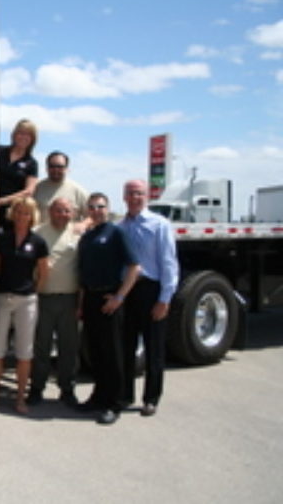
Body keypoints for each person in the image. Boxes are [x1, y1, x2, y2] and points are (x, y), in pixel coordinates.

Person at [77, 193, 140, 425]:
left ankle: (115, 403)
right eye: (92, 207)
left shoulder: (116, 233)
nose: (96, 210)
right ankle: (98, 397)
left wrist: (120, 297)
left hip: (109, 299)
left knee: (113, 353)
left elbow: (134, 268)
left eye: (100, 206)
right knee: (95, 352)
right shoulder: (87, 237)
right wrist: (81, 304)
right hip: (90, 299)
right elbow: (83, 274)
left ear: (108, 208)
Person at [119, 179, 179, 417]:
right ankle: (125, 395)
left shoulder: (160, 225)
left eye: (139, 193)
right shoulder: (120, 226)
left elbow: (169, 263)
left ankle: (151, 398)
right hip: (127, 291)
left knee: (154, 348)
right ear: (124, 197)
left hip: (150, 290)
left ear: (147, 197)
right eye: (130, 193)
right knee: (126, 347)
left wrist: (165, 298)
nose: (134, 197)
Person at [0, 196, 48, 414]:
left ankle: (20, 398)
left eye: (27, 213)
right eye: (19, 212)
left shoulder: (38, 242)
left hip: (27, 301)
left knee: (24, 352)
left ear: (33, 216)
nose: (23, 216)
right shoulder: (2, 239)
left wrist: (33, 293)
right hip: (3, 298)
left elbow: (43, 273)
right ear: (13, 214)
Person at [29, 197, 81, 408]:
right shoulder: (38, 232)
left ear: (73, 213)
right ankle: (36, 389)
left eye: (67, 211)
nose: (63, 215)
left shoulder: (78, 233)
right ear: (50, 211)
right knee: (41, 347)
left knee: (69, 348)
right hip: (43, 298)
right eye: (58, 210)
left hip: (69, 299)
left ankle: (67, 389)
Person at [0, 119, 39, 231]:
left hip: (11, 211)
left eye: (28, 135)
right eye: (21, 133)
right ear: (14, 134)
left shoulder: (31, 163)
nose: (23, 137)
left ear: (32, 139)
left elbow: (29, 191)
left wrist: (3, 201)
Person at [33, 151, 89, 225]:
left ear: (67, 169)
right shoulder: (36, 188)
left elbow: (91, 217)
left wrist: (82, 225)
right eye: (52, 166)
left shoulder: (79, 191)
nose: (56, 169)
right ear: (47, 168)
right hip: (40, 235)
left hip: (69, 236)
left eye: (60, 166)